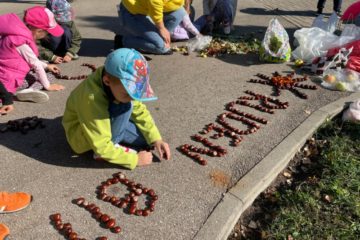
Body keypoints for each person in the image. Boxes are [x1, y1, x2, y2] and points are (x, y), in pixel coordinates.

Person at [62, 48, 171, 170]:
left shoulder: (114, 82)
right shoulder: (91, 98)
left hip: (104, 119)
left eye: (134, 93)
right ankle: (104, 150)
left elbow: (140, 111)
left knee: (146, 141)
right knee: (125, 106)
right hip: (81, 136)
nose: (132, 98)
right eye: (128, 93)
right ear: (107, 81)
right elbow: (101, 145)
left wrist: (156, 139)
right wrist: (134, 159)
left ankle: (115, 140)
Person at [0, 6, 65, 114]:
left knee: (46, 65)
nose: (47, 35)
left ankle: (29, 89)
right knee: (49, 76)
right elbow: (36, 65)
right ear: (39, 31)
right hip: (8, 79)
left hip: (6, 71)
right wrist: (47, 86)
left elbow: (29, 59)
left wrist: (47, 66)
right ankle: (31, 90)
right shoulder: (22, 43)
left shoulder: (13, 35)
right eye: (47, 32)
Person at [116, 0, 187, 55]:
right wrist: (161, 28)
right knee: (161, 47)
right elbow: (154, 3)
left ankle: (157, 38)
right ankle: (123, 40)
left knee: (180, 12)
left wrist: (187, 9)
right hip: (132, 13)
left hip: (147, 10)